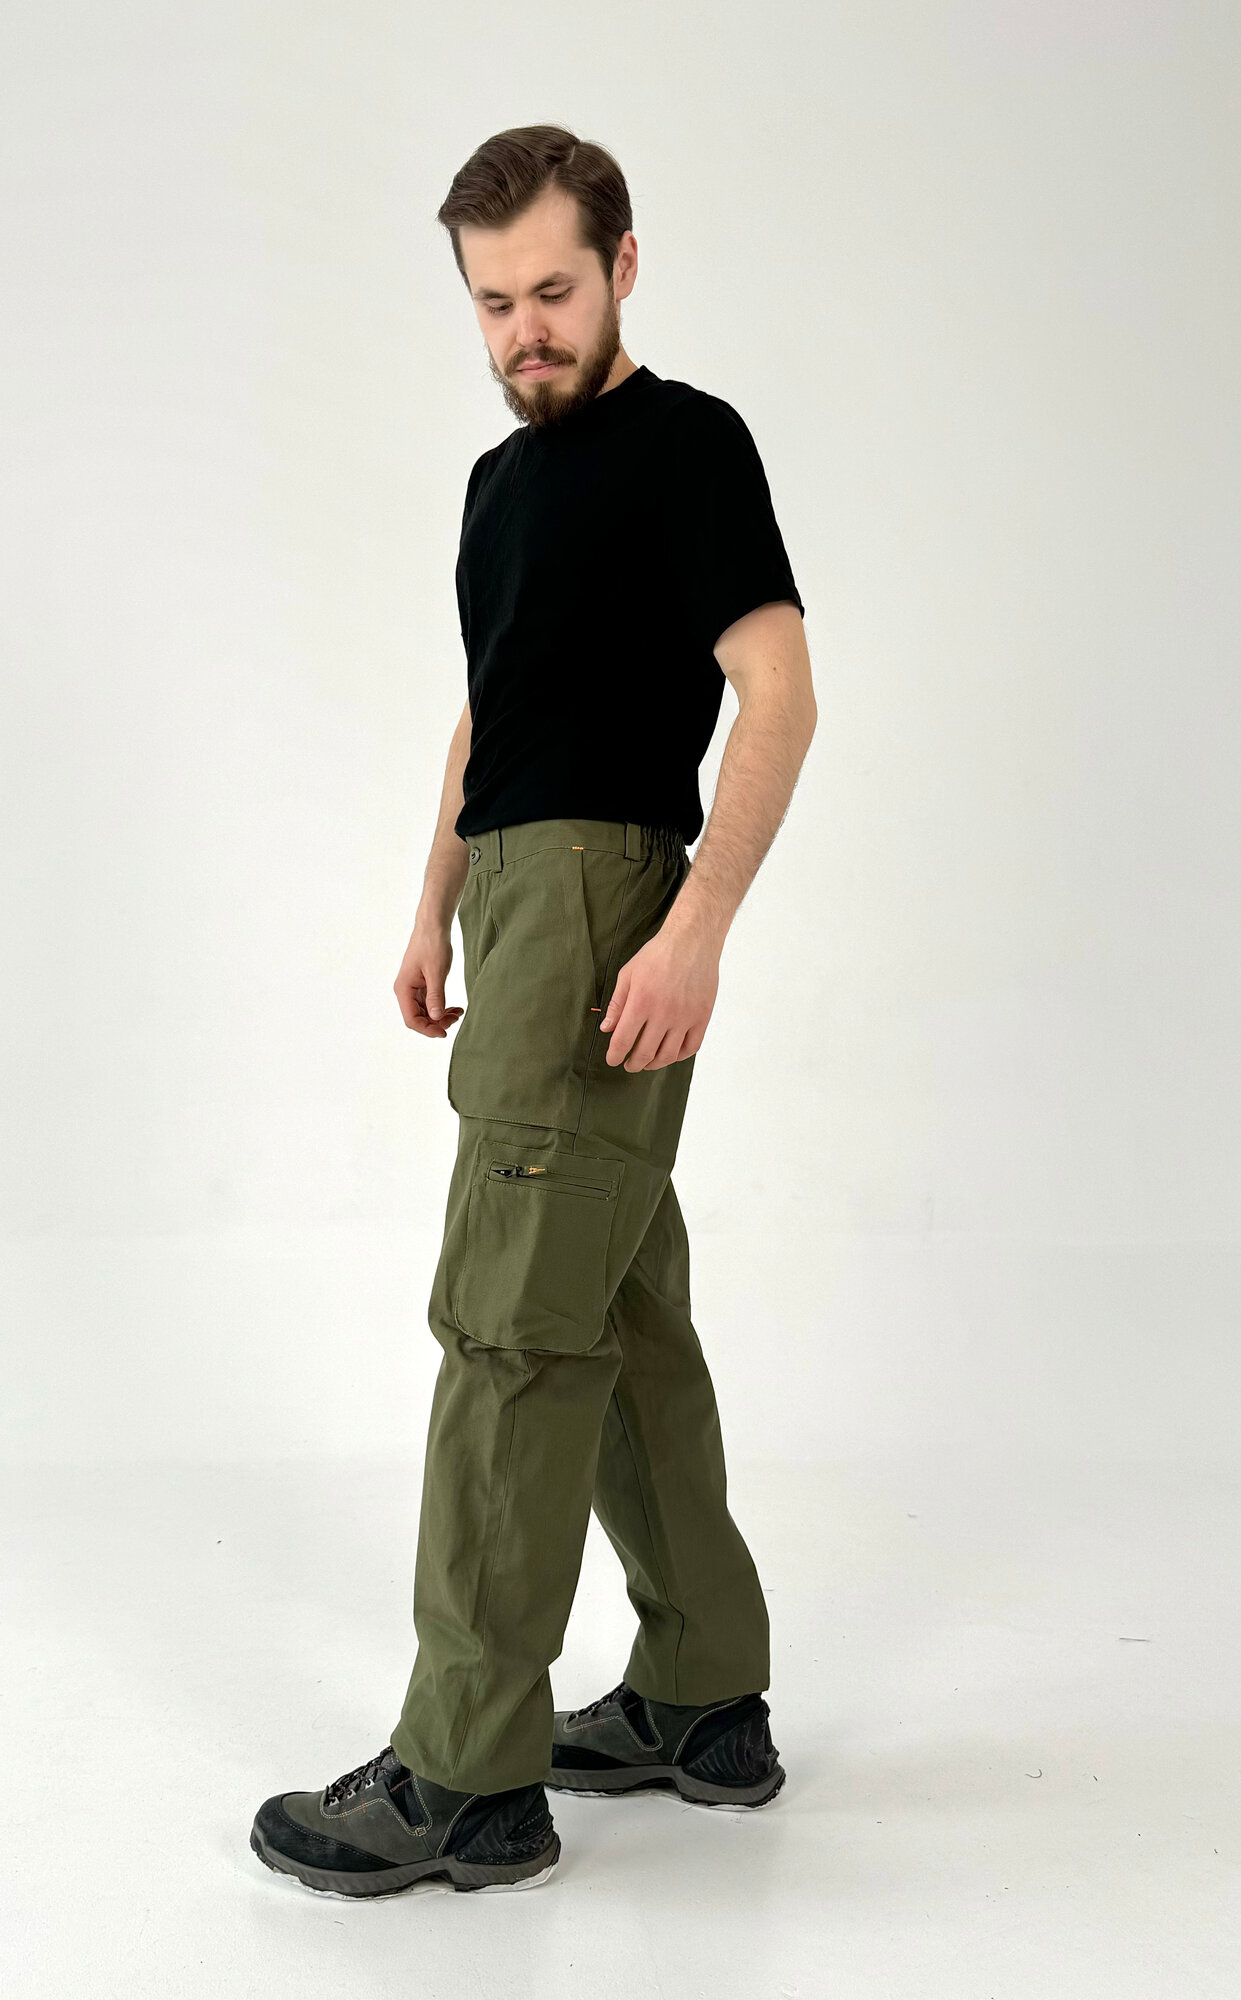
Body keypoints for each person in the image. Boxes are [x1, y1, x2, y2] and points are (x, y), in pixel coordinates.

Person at [251, 124, 817, 1901]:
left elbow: (781, 693)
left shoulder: (689, 443)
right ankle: (702, 1696)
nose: (525, 332)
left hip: (605, 906)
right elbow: (487, 716)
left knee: (508, 1329)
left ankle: (465, 1772)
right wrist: (432, 901)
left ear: (624, 266)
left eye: (554, 291)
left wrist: (697, 927)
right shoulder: (502, 487)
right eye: (493, 303)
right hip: (514, 900)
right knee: (619, 1307)